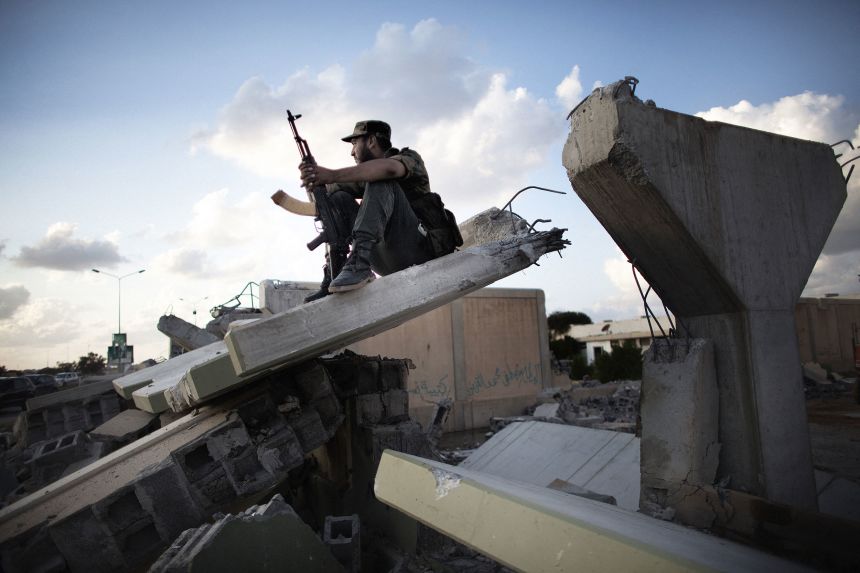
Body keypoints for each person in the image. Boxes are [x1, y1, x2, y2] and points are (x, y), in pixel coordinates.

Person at [299, 120, 460, 301]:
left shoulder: (409, 158)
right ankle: (335, 272)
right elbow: (324, 203)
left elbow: (390, 169)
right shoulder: (365, 176)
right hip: (381, 258)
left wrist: (332, 174)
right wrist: (314, 181)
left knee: (382, 179)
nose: (352, 152)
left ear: (371, 141)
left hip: (420, 252)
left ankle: (359, 264)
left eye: (354, 144)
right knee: (339, 198)